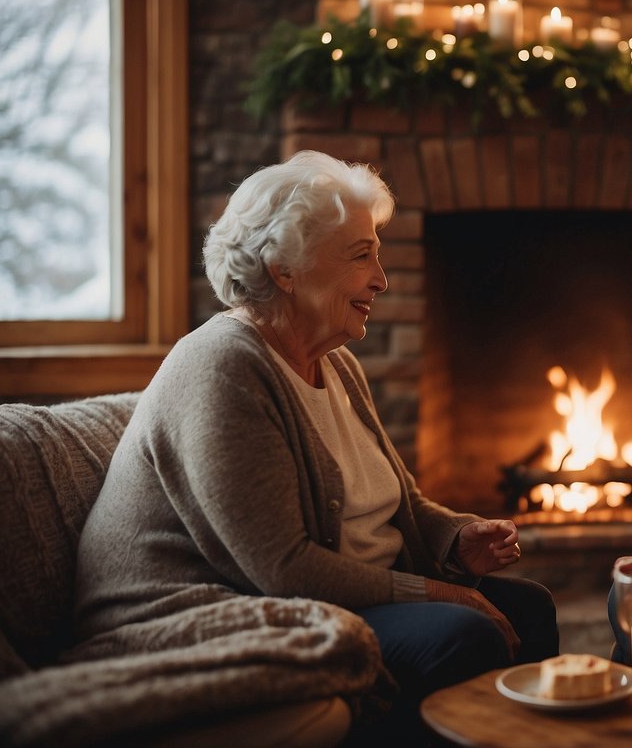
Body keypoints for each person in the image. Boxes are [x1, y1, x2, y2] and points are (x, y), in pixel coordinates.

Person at [73, 150, 558, 742]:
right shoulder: (224, 366)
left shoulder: (337, 363)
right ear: (285, 268)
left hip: (315, 591)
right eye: (362, 257)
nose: (381, 279)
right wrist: (438, 590)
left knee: (529, 609)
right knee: (465, 635)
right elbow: (282, 568)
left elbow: (397, 502)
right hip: (201, 611)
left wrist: (454, 539)